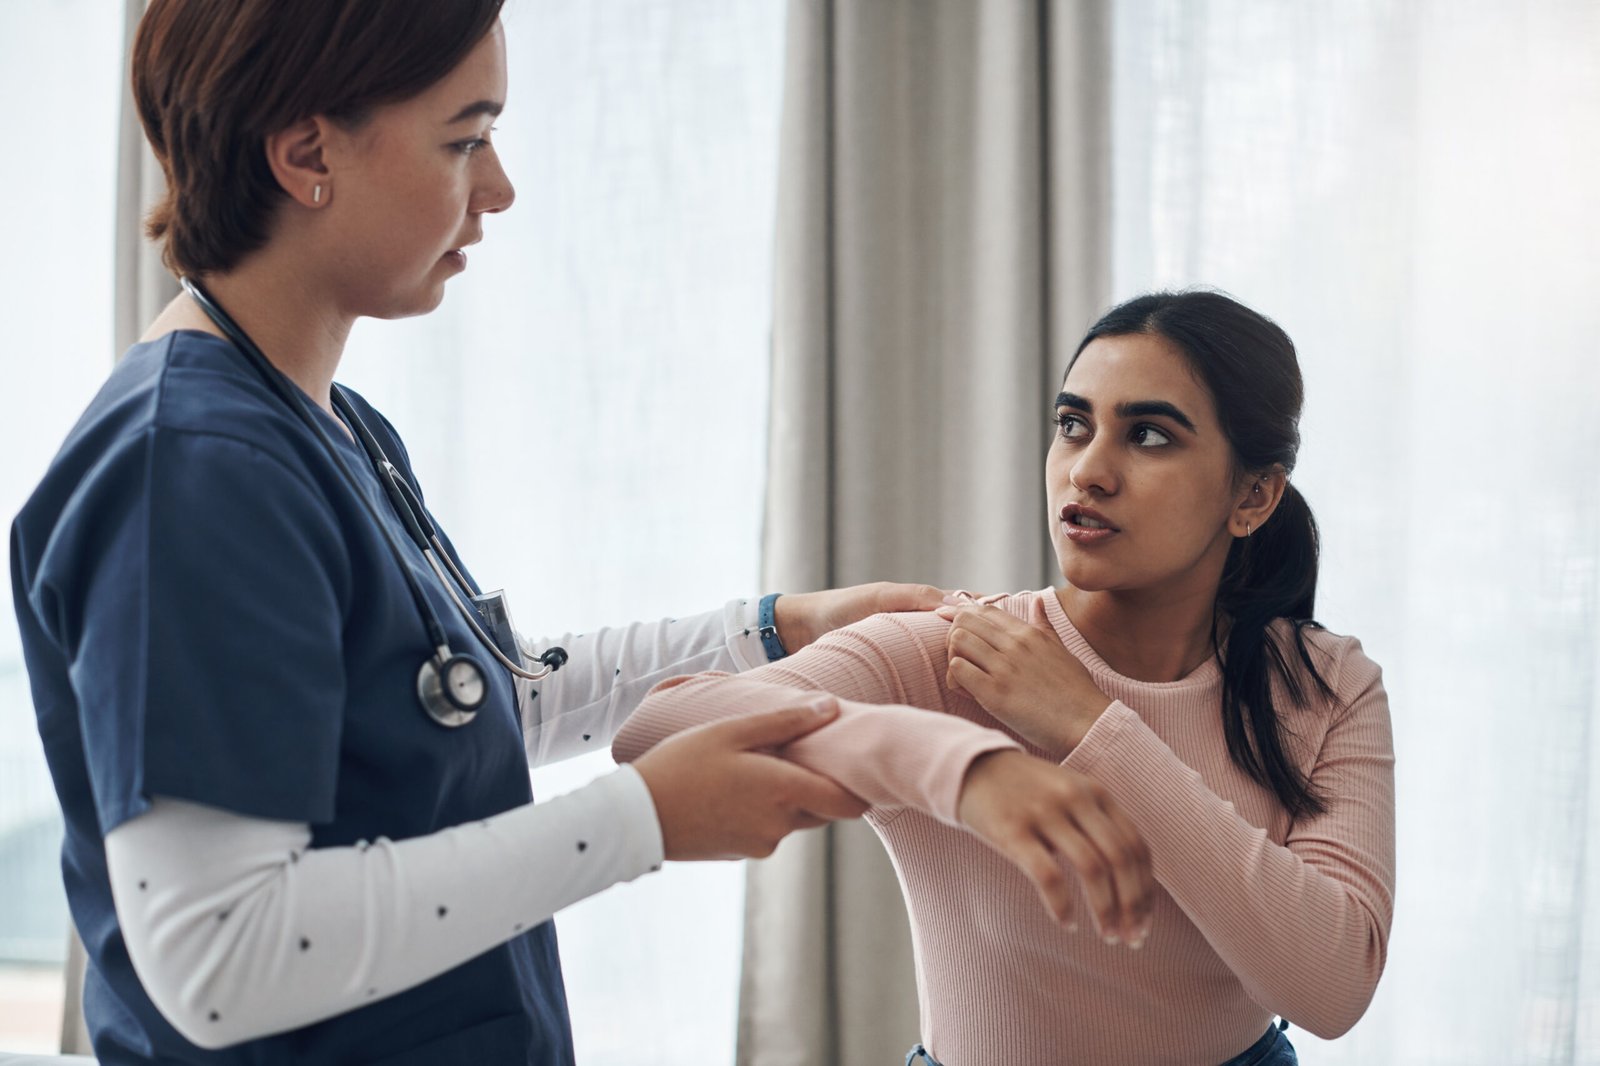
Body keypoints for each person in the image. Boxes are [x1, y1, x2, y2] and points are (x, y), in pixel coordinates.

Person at [9, 3, 1161, 1063]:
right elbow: (215, 957)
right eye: (464, 140)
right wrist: (645, 818)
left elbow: (453, 712)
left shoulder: (326, 424)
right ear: (306, 154)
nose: (498, 187)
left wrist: (767, 629)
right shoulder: (196, 473)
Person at [614, 291, 1397, 1066]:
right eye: (1072, 425)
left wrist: (1092, 729)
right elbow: (654, 733)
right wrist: (953, 765)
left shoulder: (1326, 684)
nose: (1087, 471)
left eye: (1149, 435)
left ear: (1253, 496)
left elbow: (1332, 988)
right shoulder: (955, 655)